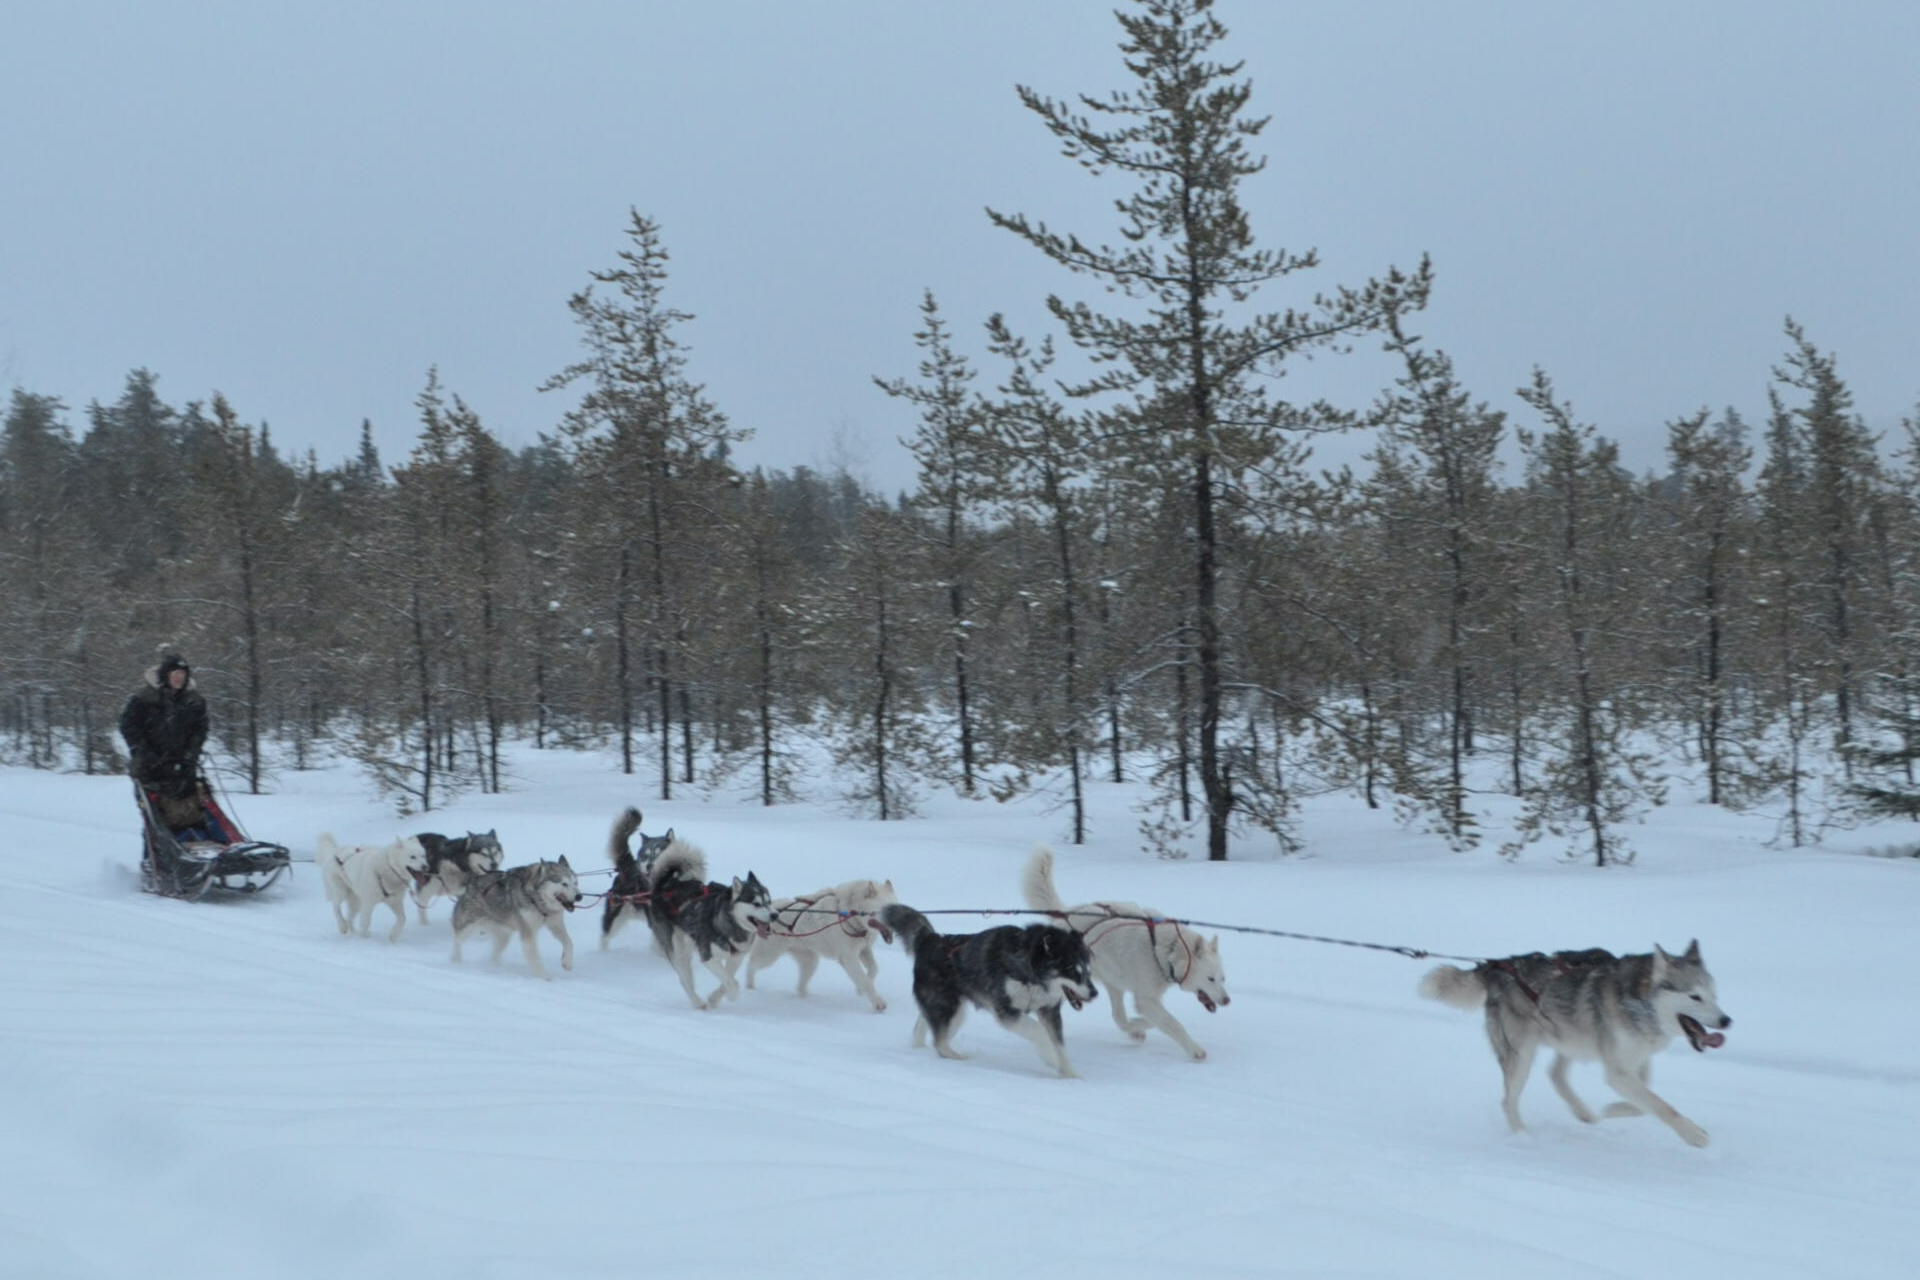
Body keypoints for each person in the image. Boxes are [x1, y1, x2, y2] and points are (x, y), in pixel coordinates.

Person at [120, 652, 209, 804]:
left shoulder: (194, 701)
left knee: (191, 807)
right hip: (150, 766)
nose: (179, 677)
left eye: (182, 673)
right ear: (165, 675)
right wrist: (143, 751)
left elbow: (201, 728)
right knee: (157, 810)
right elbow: (128, 726)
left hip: (183, 765)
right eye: (175, 673)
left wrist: (191, 753)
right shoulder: (144, 698)